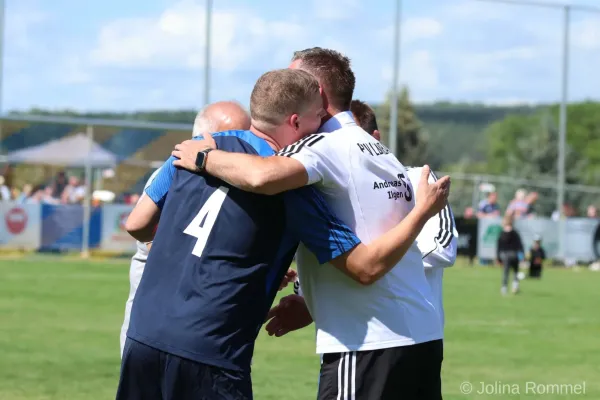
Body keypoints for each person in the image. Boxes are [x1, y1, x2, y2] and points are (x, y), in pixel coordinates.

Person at [119, 69, 449, 400]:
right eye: (318, 119)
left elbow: (138, 224)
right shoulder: (291, 190)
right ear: (295, 123)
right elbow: (365, 267)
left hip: (142, 337)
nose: (323, 129)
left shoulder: (195, 149)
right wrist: (423, 212)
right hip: (209, 351)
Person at [272, 99, 458, 336]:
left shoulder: (418, 178)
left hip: (412, 333)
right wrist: (307, 297)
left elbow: (443, 248)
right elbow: (345, 255)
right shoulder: (335, 190)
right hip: (352, 337)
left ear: (375, 138)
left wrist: (374, 261)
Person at [118, 100, 251, 357]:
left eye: (244, 135)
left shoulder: (230, 183)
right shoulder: (172, 175)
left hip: (200, 336)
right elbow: (150, 237)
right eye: (229, 136)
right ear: (199, 138)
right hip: (154, 327)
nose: (238, 145)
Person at [496, 212, 524, 295]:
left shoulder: (502, 233)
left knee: (506, 272)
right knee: (515, 271)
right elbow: (520, 245)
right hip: (514, 255)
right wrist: (521, 256)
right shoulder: (515, 233)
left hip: (505, 255)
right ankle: (515, 286)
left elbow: (499, 247)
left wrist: (498, 258)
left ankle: (504, 288)